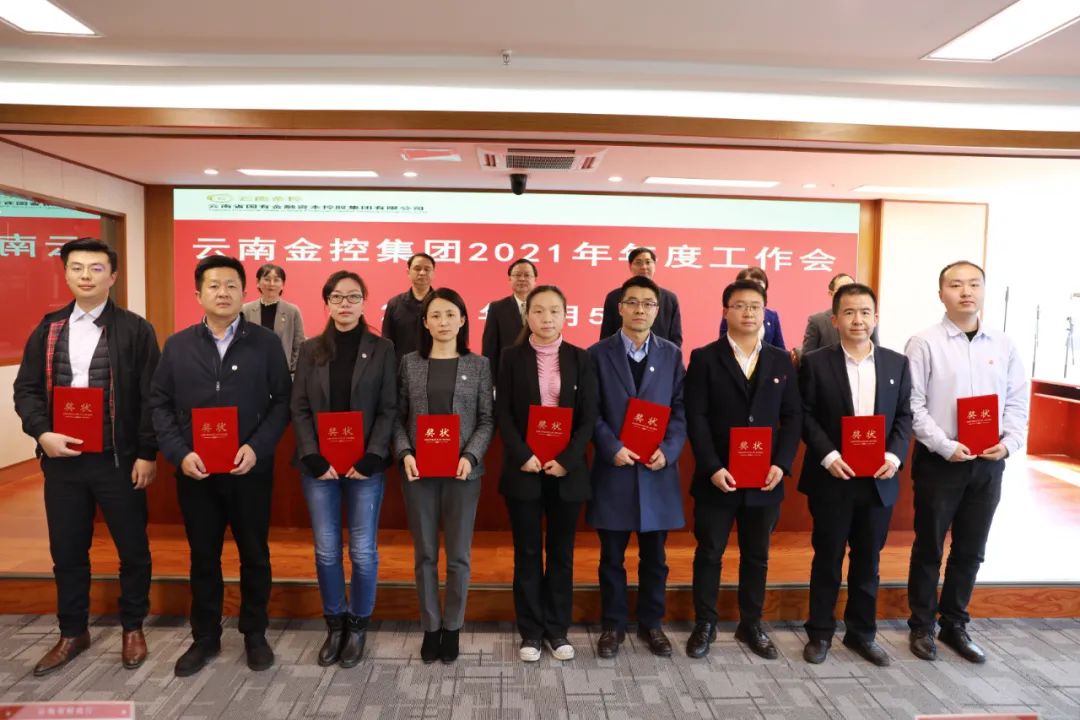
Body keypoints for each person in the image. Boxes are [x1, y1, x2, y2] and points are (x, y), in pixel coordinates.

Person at [13, 238, 160, 676]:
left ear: (112, 276)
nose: (85, 276)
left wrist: (147, 453)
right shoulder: (49, 328)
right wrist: (42, 432)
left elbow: (152, 396)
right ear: (65, 273)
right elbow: (26, 390)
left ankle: (133, 627)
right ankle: (72, 631)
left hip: (118, 460)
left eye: (96, 268)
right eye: (76, 267)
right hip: (63, 462)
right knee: (67, 550)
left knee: (133, 549)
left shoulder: (135, 330)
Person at [150, 255, 291, 677]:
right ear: (198, 294)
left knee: (255, 555)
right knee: (203, 557)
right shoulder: (178, 345)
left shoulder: (265, 343)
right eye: (214, 285)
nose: (223, 293)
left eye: (231, 285)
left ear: (245, 293)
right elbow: (159, 404)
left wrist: (258, 448)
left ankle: (255, 633)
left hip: (249, 470)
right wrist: (179, 453)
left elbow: (282, 401)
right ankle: (205, 637)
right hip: (197, 472)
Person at [905, 261, 1028, 664]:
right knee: (929, 547)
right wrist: (944, 445)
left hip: (989, 461)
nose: (966, 292)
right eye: (956, 285)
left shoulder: (1004, 345)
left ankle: (954, 624)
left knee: (972, 548)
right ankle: (922, 626)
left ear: (984, 291)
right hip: (941, 461)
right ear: (941, 293)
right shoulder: (924, 342)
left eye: (974, 284)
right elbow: (913, 405)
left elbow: (1017, 401)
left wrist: (1009, 443)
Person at [684, 279, 801, 660]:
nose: (748, 312)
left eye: (755, 306)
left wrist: (781, 464)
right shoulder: (704, 357)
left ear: (765, 312)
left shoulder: (781, 360)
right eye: (739, 305)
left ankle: (752, 624)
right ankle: (705, 623)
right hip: (717, 478)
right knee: (709, 553)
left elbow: (792, 417)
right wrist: (712, 466)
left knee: (757, 555)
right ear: (725, 311)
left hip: (765, 478)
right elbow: (697, 417)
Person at [798, 283, 912, 666]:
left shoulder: (897, 363)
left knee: (868, 562)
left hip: (878, 479)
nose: (858, 320)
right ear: (835, 319)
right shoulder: (816, 363)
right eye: (849, 312)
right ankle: (820, 634)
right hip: (833, 478)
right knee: (827, 559)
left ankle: (862, 635)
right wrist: (828, 455)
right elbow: (805, 415)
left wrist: (894, 456)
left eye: (865, 312)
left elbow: (904, 416)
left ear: (875, 318)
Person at [290, 271, 396, 667]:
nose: (345, 304)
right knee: (327, 549)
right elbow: (300, 406)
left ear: (364, 301)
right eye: (337, 297)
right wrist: (311, 454)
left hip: (365, 467)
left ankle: (358, 625)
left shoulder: (382, 349)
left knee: (364, 551)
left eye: (353, 297)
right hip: (320, 468)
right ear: (327, 303)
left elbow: (388, 407)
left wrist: (373, 454)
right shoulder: (311, 349)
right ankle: (335, 624)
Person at [496, 285, 598, 662]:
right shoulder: (510, 357)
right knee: (526, 553)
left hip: (565, 471)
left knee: (560, 553)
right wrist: (523, 454)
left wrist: (568, 459)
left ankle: (557, 630)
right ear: (528, 316)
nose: (547, 318)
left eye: (554, 311)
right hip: (525, 469)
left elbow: (588, 416)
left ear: (565, 316)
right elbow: (503, 413)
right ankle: (531, 633)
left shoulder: (580, 358)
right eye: (538, 311)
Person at [392, 288, 494, 664]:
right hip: (419, 472)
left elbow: (486, 419)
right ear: (425, 322)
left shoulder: (479, 365)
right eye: (435, 315)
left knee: (459, 556)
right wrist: (404, 452)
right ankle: (430, 626)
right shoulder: (409, 363)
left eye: (451, 314)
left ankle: (452, 627)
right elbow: (397, 416)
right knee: (425, 555)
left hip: (462, 474)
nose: (443, 322)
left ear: (463, 319)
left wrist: (471, 455)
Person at [587, 275, 687, 659]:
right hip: (614, 469)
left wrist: (670, 449)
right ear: (620, 308)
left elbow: (680, 409)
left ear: (657, 310)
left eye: (648, 303)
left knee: (655, 559)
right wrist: (610, 446)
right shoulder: (598, 354)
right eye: (632, 302)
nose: (640, 309)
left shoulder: (672, 355)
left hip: (656, 470)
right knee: (611, 558)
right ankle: (612, 626)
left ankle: (652, 624)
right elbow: (591, 411)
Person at [598, 247, 683, 347]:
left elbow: (675, 339)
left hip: (660, 355)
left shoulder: (670, 299)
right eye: (638, 263)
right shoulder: (614, 297)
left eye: (648, 262)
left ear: (654, 265)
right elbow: (606, 336)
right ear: (630, 266)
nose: (644, 267)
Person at [241, 263, 306, 372]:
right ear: (258, 282)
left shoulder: (292, 311)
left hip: (282, 371)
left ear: (283, 284)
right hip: (252, 370)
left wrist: (292, 369)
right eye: (267, 279)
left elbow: (299, 345)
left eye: (276, 280)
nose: (271, 284)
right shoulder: (245, 310)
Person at [482, 258, 538, 380]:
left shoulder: (543, 307)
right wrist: (491, 382)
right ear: (510, 279)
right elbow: (489, 349)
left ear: (535, 280)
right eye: (517, 275)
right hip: (507, 376)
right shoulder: (497, 308)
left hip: (539, 374)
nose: (522, 279)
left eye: (527, 275)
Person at [800, 273, 878, 355]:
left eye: (851, 289)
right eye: (841, 290)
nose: (848, 294)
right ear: (831, 293)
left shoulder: (869, 318)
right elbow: (807, 358)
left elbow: (876, 352)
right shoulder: (817, 321)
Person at [382, 252, 435, 362]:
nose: (422, 272)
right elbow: (387, 342)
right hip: (402, 368)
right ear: (408, 272)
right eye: (417, 268)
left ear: (433, 273)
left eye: (427, 269)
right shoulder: (395, 304)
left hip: (436, 366)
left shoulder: (443, 304)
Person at [718, 267, 785, 349]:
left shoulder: (772, 316)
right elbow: (723, 343)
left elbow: (779, 347)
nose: (755, 286)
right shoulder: (732, 312)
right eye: (750, 282)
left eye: (759, 283)